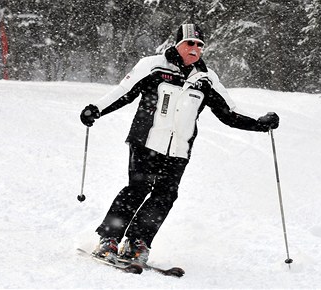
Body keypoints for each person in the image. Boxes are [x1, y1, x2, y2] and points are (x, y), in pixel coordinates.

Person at [80, 24, 279, 265]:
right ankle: (108, 240)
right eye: (190, 43)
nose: (195, 48)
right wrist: (96, 110)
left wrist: (260, 124)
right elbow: (124, 92)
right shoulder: (152, 66)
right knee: (138, 188)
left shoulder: (206, 79)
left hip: (179, 150)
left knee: (165, 195)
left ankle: (137, 241)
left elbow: (229, 113)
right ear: (177, 45)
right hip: (146, 141)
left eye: (199, 45)